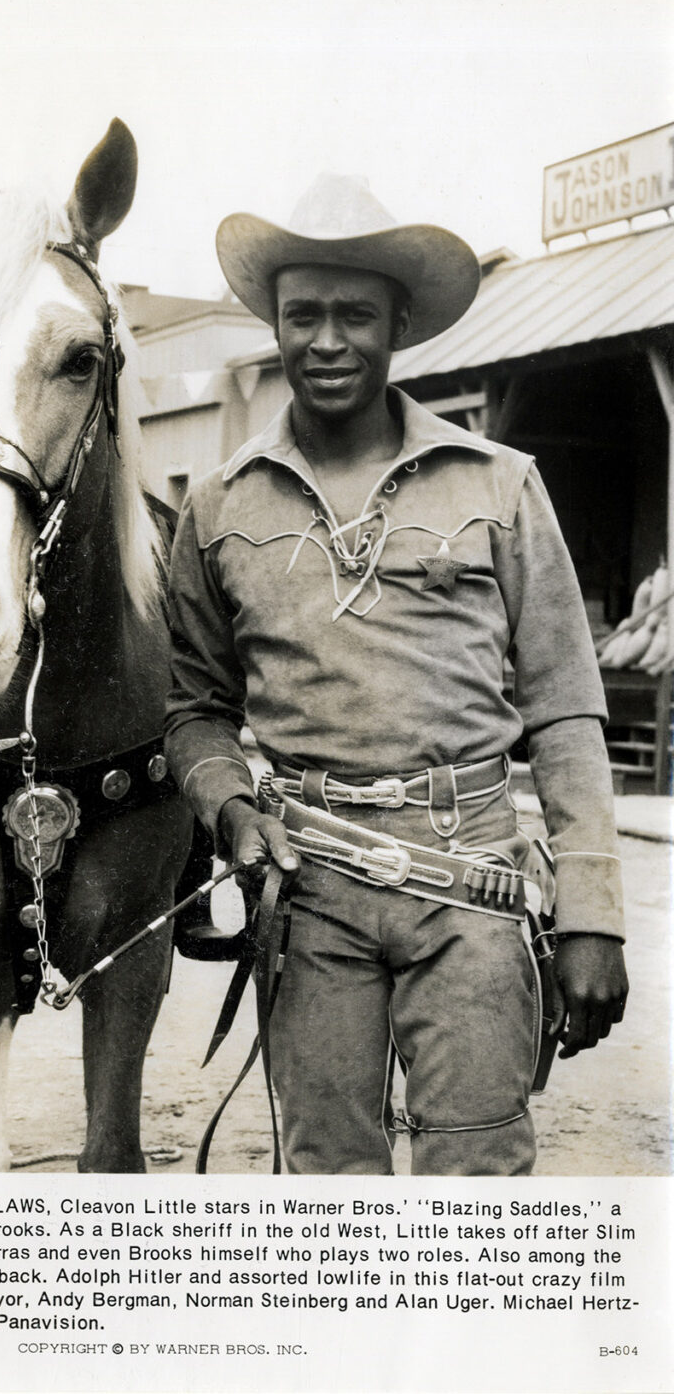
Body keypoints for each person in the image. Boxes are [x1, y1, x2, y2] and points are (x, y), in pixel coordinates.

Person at [163, 175, 628, 1175]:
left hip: (472, 885)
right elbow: (194, 709)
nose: (327, 340)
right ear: (275, 325)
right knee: (332, 1186)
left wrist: (590, 914)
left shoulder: (500, 484)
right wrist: (230, 810)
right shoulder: (216, 505)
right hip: (308, 884)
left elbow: (564, 712)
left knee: (478, 1181)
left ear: (397, 325)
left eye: (354, 315)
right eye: (304, 316)